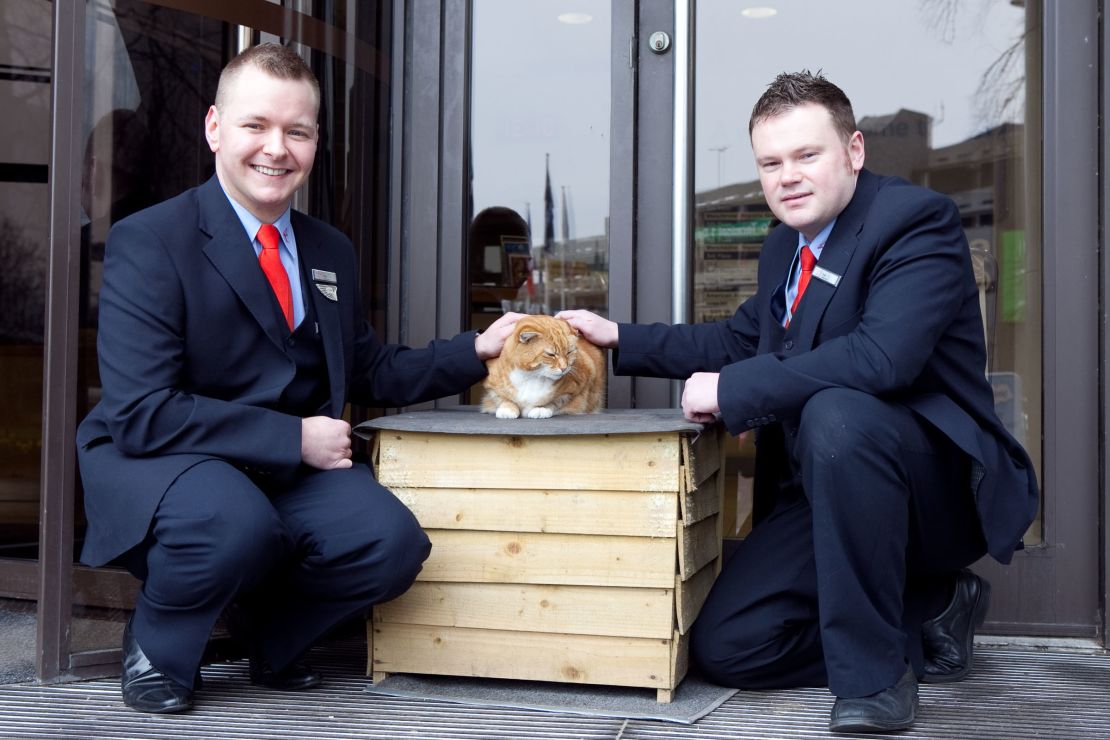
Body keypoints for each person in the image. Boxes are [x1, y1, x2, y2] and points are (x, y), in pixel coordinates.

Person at [559, 71, 1038, 733]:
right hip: (828, 486)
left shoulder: (914, 223)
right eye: (771, 162)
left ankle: (875, 680)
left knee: (838, 412)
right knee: (731, 645)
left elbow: (881, 358)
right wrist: (619, 338)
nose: (787, 176)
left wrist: (732, 392)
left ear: (854, 152)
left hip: (930, 492)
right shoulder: (788, 244)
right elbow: (739, 337)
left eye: (806, 155)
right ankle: (930, 610)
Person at [75, 43, 520, 715]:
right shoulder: (151, 240)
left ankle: (272, 638)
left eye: (298, 131)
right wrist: (294, 439)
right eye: (256, 126)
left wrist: (478, 351)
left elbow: (372, 367)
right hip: (168, 458)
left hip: (281, 469)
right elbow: (143, 412)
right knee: (234, 523)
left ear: (314, 142)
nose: (275, 148)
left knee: (390, 545)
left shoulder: (327, 249)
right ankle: (159, 646)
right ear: (215, 128)